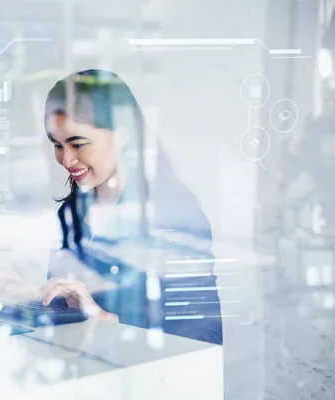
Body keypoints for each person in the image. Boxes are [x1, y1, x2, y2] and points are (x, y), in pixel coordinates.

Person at [38, 69, 223, 345]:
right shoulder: (71, 212)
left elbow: (204, 338)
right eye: (57, 145)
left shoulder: (173, 217)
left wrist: (107, 324)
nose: (66, 160)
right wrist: (29, 300)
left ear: (121, 134)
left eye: (77, 143)